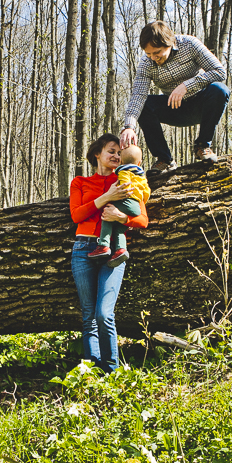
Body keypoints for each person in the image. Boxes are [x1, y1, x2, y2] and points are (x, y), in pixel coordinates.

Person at [70, 134, 149, 373]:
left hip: (114, 251)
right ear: (97, 153)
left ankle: (112, 372)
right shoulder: (80, 182)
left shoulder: (127, 178)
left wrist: (121, 217)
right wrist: (107, 197)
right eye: (111, 151)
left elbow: (142, 219)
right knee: (88, 316)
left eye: (119, 153)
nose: (116, 156)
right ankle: (91, 371)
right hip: (84, 249)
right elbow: (76, 216)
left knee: (104, 314)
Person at [119, 20, 230, 175]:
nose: (153, 58)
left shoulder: (190, 44)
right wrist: (129, 126)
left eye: (157, 53)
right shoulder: (146, 63)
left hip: (202, 104)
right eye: (148, 54)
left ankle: (202, 146)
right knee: (145, 105)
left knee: (220, 89)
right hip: (175, 109)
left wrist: (186, 86)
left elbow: (219, 72)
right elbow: (138, 95)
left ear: (169, 43)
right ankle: (165, 160)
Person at [87, 144, 150, 266]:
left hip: (126, 200)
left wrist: (122, 190)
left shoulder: (122, 171)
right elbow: (146, 190)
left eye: (118, 154)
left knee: (108, 214)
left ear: (121, 160)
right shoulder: (141, 175)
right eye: (111, 152)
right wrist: (142, 200)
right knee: (120, 228)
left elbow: (125, 183)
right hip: (136, 204)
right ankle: (121, 250)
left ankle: (103, 245)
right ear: (139, 162)